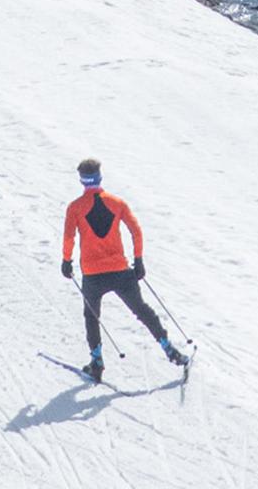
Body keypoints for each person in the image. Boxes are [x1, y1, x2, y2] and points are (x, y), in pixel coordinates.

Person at [61, 157, 186, 382]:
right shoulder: (117, 203)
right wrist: (138, 260)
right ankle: (169, 348)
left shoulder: (75, 208)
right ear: (100, 177)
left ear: (81, 180)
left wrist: (66, 261)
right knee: (142, 310)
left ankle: (97, 362)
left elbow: (69, 237)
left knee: (92, 316)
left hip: (92, 274)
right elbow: (136, 231)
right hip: (120, 270)